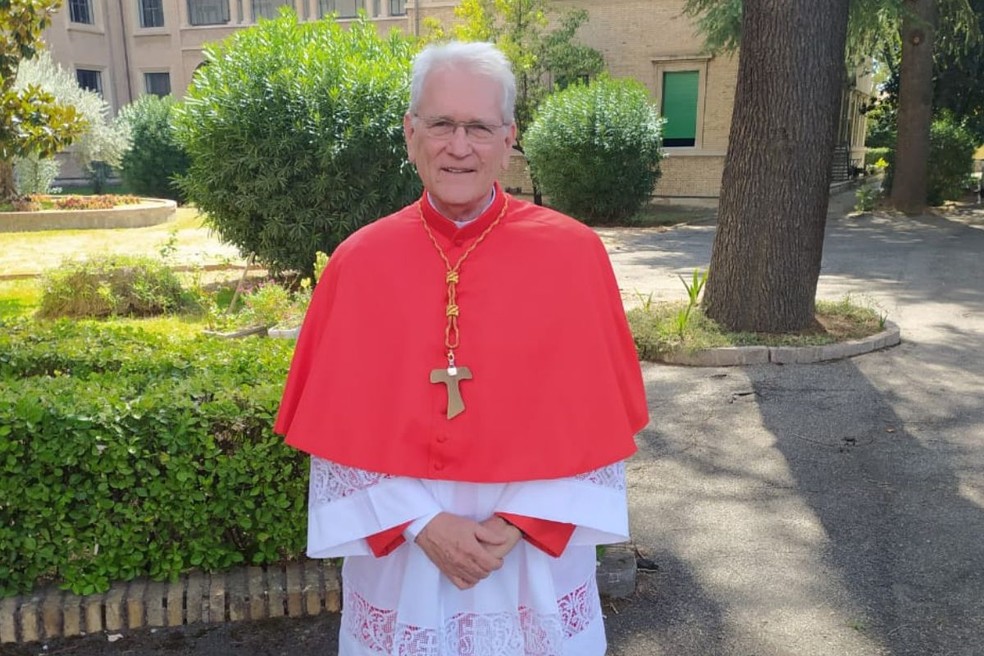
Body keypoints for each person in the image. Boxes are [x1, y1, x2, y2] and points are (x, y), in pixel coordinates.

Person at [274, 41, 649, 656]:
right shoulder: (360, 261)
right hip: (405, 555)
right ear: (410, 133)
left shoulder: (574, 255)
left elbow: (597, 418)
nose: (458, 145)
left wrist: (519, 522)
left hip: (530, 555)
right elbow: (336, 429)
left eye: (478, 126)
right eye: (442, 123)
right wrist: (424, 523)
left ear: (509, 139)